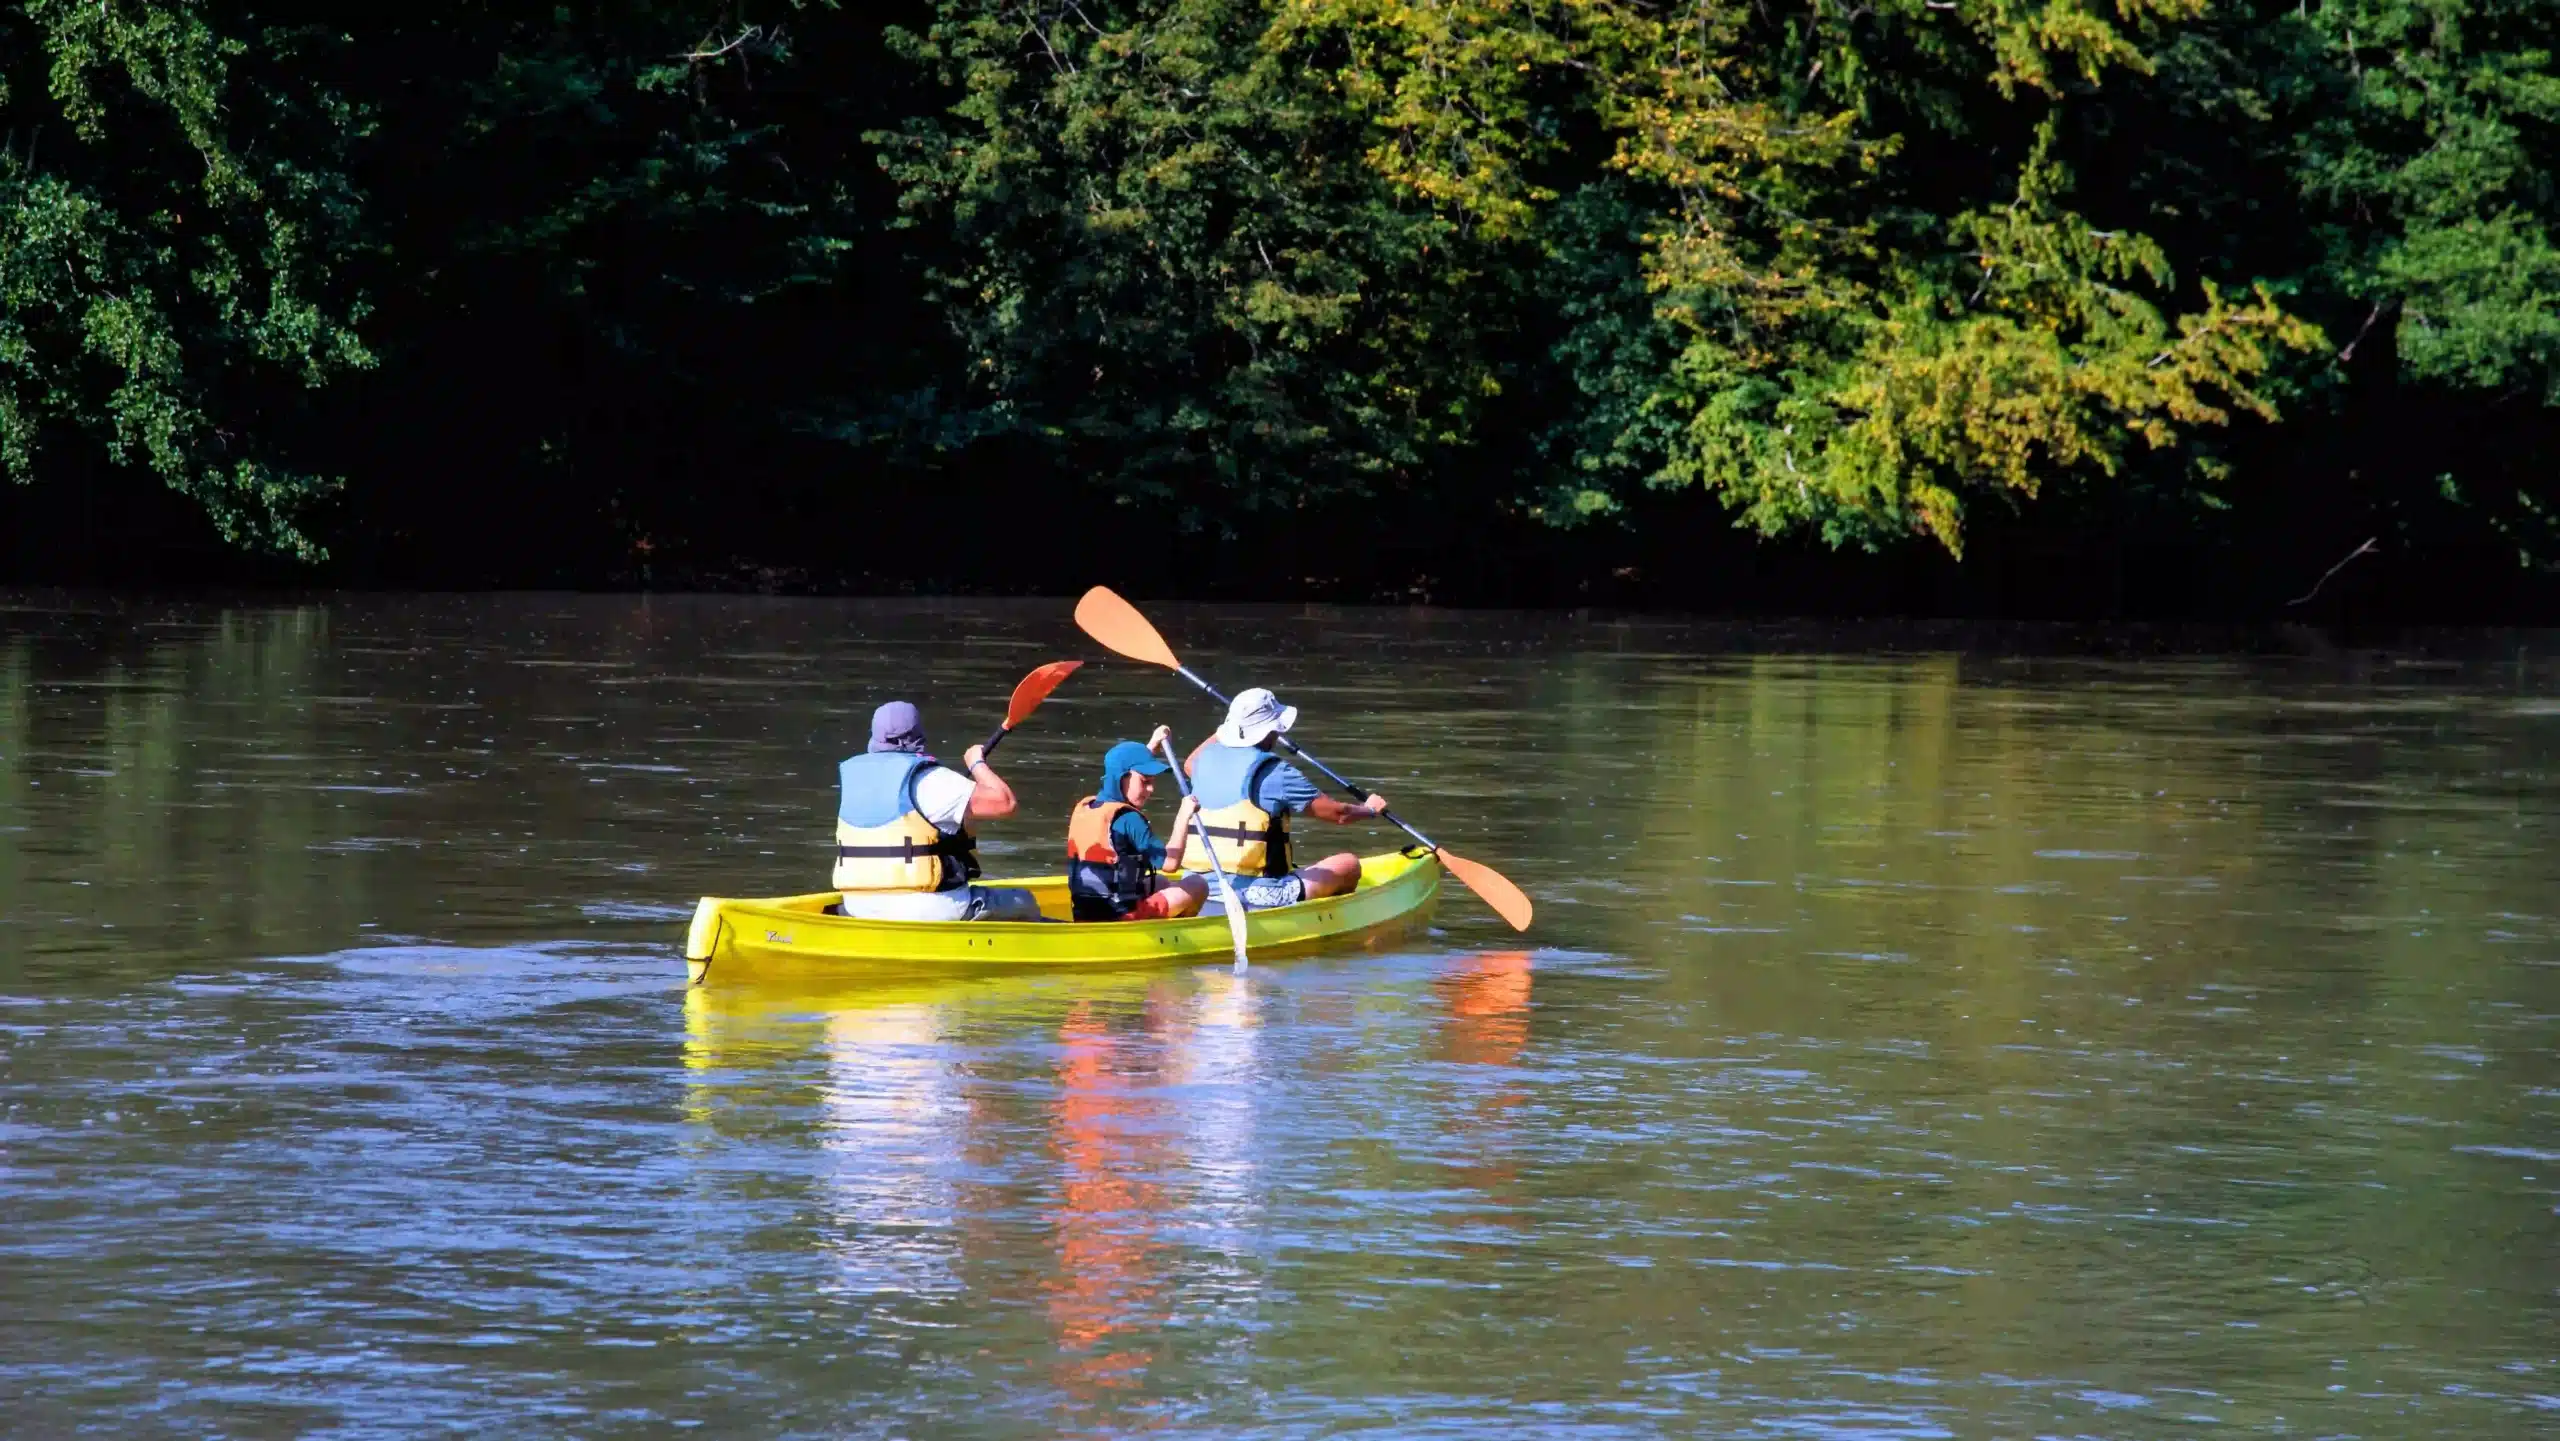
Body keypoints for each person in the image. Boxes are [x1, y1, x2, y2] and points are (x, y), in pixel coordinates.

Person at [833, 700, 1041, 921]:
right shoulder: (933, 780)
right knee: (1023, 901)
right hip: (929, 909)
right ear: (918, 735)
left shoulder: (856, 780)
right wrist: (976, 763)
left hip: (858, 907)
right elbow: (1005, 803)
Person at [1186, 686, 1390, 910]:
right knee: (1348, 864)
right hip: (1254, 893)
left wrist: (1228, 729)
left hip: (1195, 886)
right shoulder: (1276, 773)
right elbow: (1338, 814)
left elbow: (1188, 764)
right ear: (1272, 729)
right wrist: (1370, 810)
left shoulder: (1202, 760)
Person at [1065, 726, 1212, 923]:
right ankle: (1173, 936)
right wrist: (1183, 816)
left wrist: (1151, 746)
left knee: (1159, 882)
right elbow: (1170, 863)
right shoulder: (1130, 819)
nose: (1151, 789)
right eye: (1145, 781)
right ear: (1122, 778)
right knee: (1197, 884)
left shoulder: (1088, 806)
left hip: (1085, 914)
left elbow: (1125, 768)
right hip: (1122, 917)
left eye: (1152, 781)